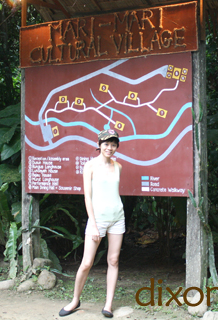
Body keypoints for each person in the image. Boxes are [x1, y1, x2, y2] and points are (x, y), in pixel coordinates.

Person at [59, 129, 125, 318]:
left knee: (113, 260)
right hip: (98, 219)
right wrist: (94, 225)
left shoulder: (118, 166)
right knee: (87, 262)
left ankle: (108, 304)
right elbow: (88, 197)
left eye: (113, 145)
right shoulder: (90, 166)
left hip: (117, 218)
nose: (109, 148)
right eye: (106, 144)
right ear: (99, 145)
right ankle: (75, 300)